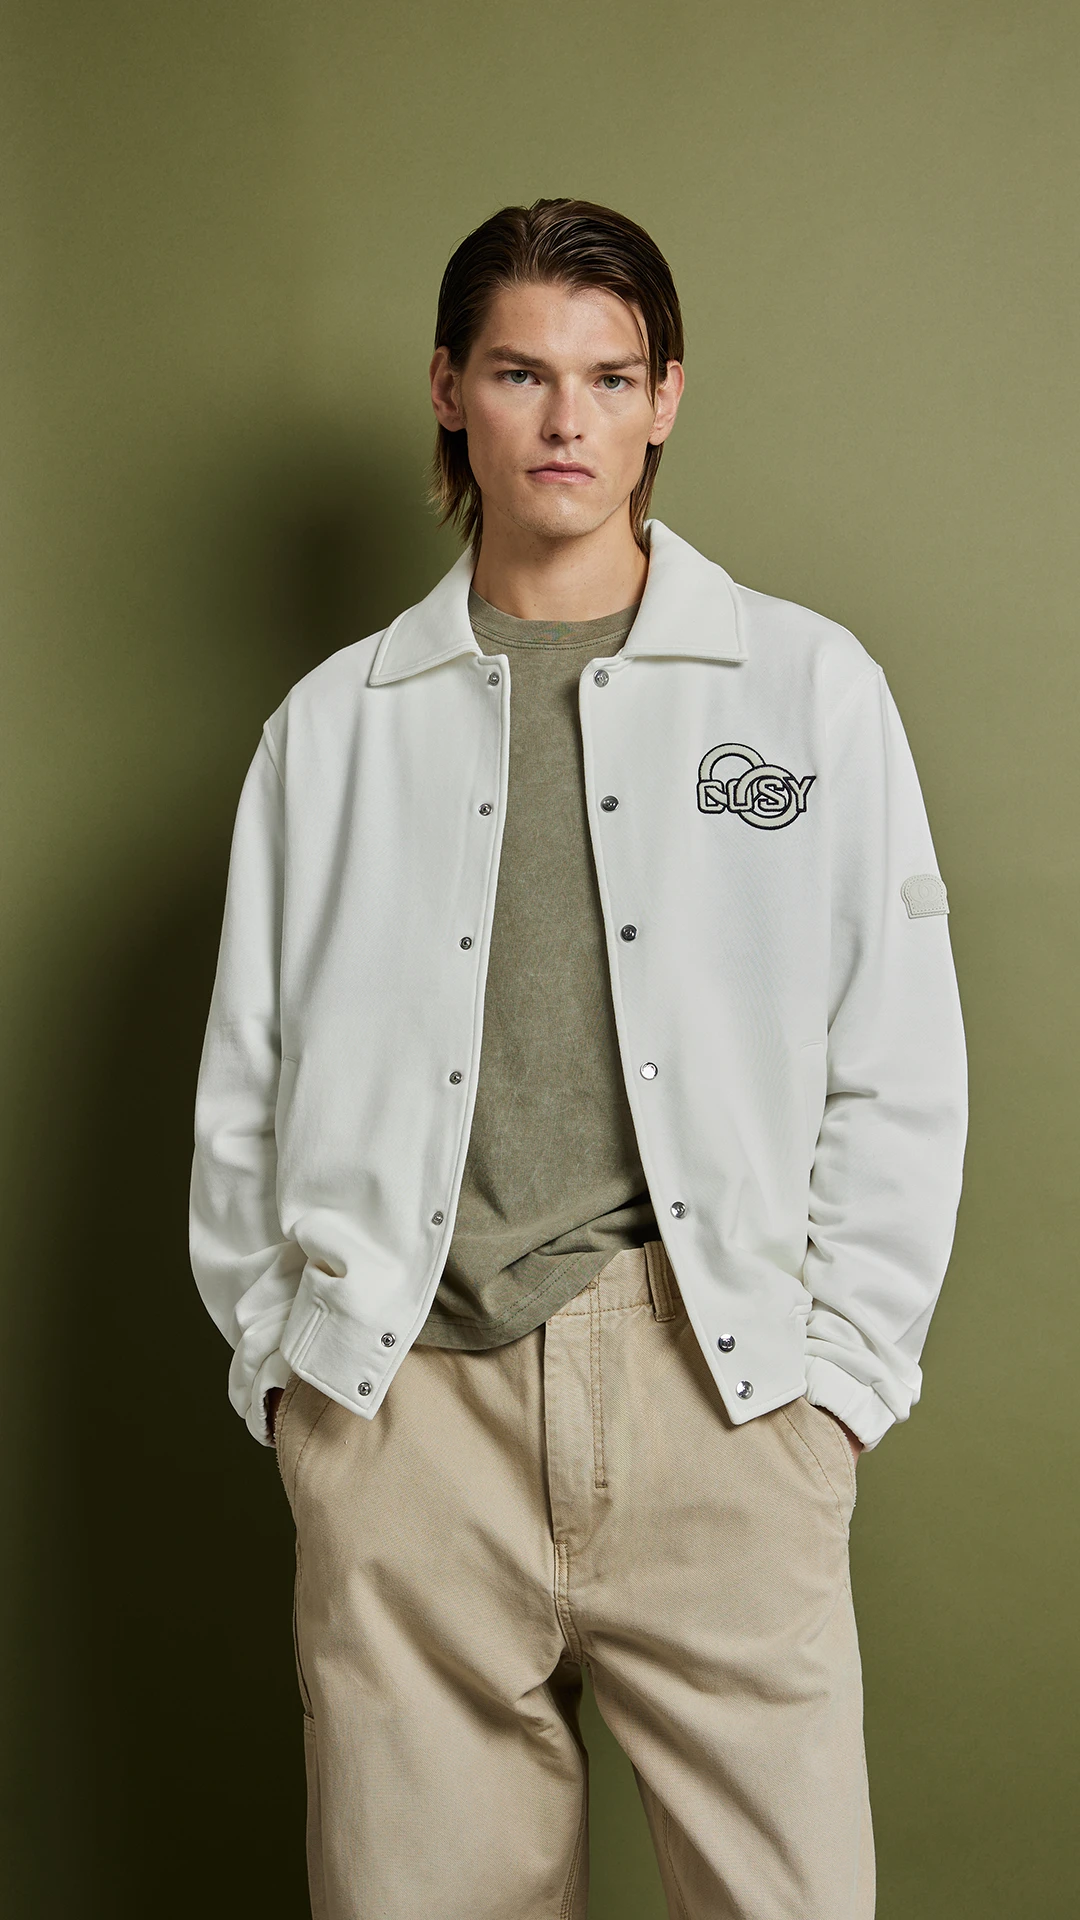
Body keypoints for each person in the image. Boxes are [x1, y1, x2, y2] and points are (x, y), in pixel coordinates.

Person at [189, 197, 967, 1920]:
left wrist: (839, 1388)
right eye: (521, 372)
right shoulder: (331, 729)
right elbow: (247, 1080)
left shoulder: (809, 692)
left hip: (722, 1388)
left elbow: (899, 1053)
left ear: (666, 396)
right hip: (410, 1409)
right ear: (449, 390)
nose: (567, 420)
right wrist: (294, 1388)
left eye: (610, 378)